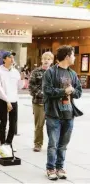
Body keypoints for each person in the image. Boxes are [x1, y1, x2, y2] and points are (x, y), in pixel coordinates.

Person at [43, 45, 83, 180]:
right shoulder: (50, 72)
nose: (74, 58)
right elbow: (47, 91)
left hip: (69, 113)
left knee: (63, 145)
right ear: (67, 56)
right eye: (72, 55)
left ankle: (60, 167)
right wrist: (63, 91)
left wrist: (72, 91)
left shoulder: (72, 73)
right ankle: (50, 168)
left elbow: (79, 92)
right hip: (53, 114)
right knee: (53, 144)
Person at [0, 51, 25, 149]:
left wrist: (22, 79)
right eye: (9, 57)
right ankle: (2, 143)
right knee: (3, 122)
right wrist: (7, 101)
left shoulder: (15, 71)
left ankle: (9, 143)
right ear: (4, 59)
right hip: (3, 100)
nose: (12, 59)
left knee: (13, 123)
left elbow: (19, 87)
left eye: (13, 57)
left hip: (14, 100)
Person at [29, 52, 54, 152]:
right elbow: (31, 87)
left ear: (52, 61)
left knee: (53, 125)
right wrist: (43, 94)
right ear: (41, 60)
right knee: (39, 125)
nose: (46, 60)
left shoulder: (54, 72)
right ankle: (38, 144)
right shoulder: (36, 72)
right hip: (39, 103)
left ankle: (52, 145)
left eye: (49, 59)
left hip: (52, 103)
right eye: (45, 58)